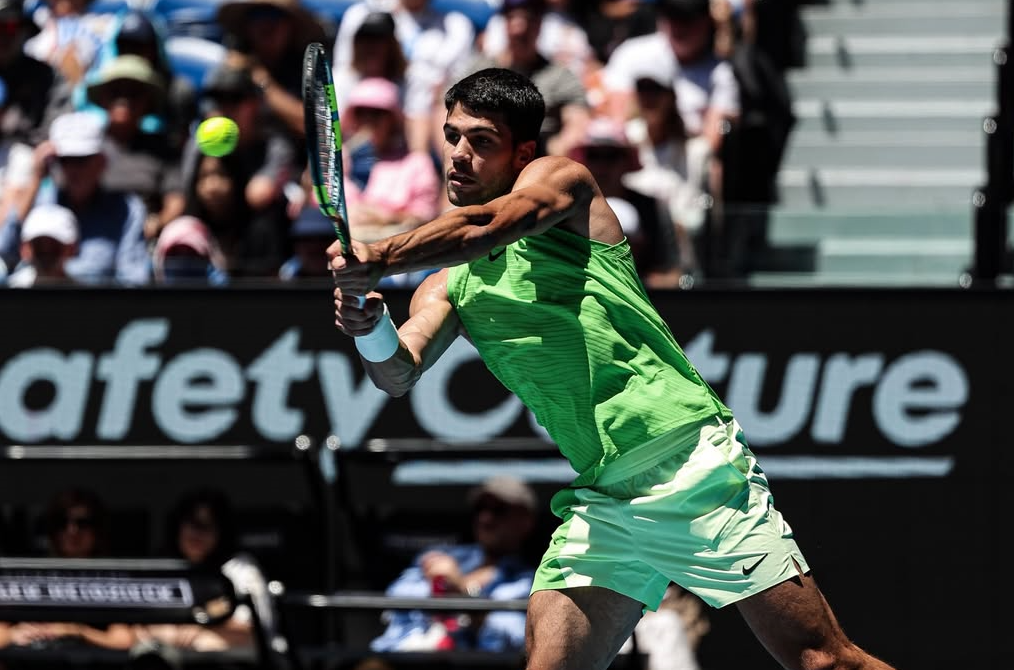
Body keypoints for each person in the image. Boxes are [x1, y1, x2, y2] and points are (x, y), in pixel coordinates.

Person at [327, 67, 897, 670]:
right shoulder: (445, 286)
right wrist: (370, 327)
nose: (459, 155)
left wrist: (380, 254)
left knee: (823, 661)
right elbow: (399, 371)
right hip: (603, 497)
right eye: (451, 136)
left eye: (482, 141)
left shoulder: (562, 183)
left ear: (522, 152)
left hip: (688, 465)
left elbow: (487, 226)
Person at [370, 475, 538, 653]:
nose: (485, 519)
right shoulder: (443, 554)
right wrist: (437, 590)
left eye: (499, 510)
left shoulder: (531, 581)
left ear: (525, 521)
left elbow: (515, 638)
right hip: (400, 653)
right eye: (480, 509)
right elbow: (395, 596)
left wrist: (462, 592)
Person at [0, 110, 150, 285]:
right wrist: (35, 179)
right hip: (35, 307)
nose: (73, 170)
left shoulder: (127, 209)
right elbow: (5, 254)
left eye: (81, 160)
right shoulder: (41, 200)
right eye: (65, 160)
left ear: (101, 161)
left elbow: (134, 279)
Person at [0, 488, 135, 651]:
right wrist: (14, 634)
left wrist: (75, 631)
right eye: (62, 523)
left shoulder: (110, 577)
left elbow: (123, 641)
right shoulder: (31, 572)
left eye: (82, 523)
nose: (72, 531)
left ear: (97, 530)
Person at [455, 0, 589, 157]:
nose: (519, 29)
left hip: (537, 161)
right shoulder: (478, 70)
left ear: (539, 24)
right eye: (512, 18)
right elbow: (445, 109)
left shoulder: (560, 76)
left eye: (529, 20)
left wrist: (553, 154)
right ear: (504, 23)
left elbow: (577, 124)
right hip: (481, 157)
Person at [3, 202, 79, 286]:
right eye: (38, 245)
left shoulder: (86, 297)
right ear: (24, 249)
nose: (46, 250)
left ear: (72, 248)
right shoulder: (10, 292)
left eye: (54, 245)